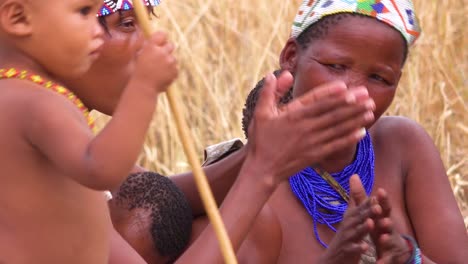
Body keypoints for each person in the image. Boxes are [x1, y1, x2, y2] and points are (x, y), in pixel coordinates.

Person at [61, 1, 378, 263]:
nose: (150, 45)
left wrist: (265, 147)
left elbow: (149, 193)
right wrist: (261, 170)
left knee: (252, 225)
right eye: (128, 23)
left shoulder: (67, 130)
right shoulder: (30, 136)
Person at [237, 0, 468, 263]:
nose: (355, 91)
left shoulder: (403, 147)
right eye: (336, 66)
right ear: (291, 56)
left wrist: (407, 256)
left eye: (379, 78)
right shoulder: (251, 184)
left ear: (397, 83)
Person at [0, 0, 177, 263]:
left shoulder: (28, 94)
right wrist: (144, 87)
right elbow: (101, 168)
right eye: (84, 12)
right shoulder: (34, 102)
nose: (96, 28)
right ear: (19, 18)